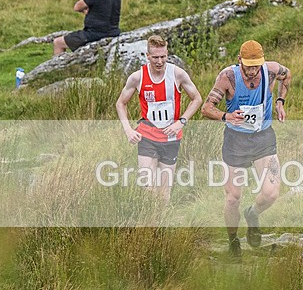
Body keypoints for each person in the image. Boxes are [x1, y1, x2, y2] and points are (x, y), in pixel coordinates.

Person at [201, 40, 292, 258]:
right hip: (236, 141)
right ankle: (233, 241)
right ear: (240, 61)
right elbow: (206, 108)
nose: (252, 71)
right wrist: (227, 116)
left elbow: (287, 75)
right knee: (233, 197)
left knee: (271, 193)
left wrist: (280, 101)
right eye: (248, 66)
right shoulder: (228, 78)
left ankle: (252, 214)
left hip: (263, 138)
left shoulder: (270, 70)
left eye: (255, 66)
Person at [115, 35, 202, 202]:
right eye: (155, 57)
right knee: (147, 188)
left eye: (163, 56)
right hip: (147, 135)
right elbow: (120, 103)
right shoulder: (137, 77)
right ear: (147, 56)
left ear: (167, 54)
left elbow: (197, 98)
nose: (160, 61)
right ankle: (148, 223)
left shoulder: (177, 74)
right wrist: (128, 130)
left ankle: (160, 226)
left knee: (164, 194)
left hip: (171, 136)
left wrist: (181, 122)